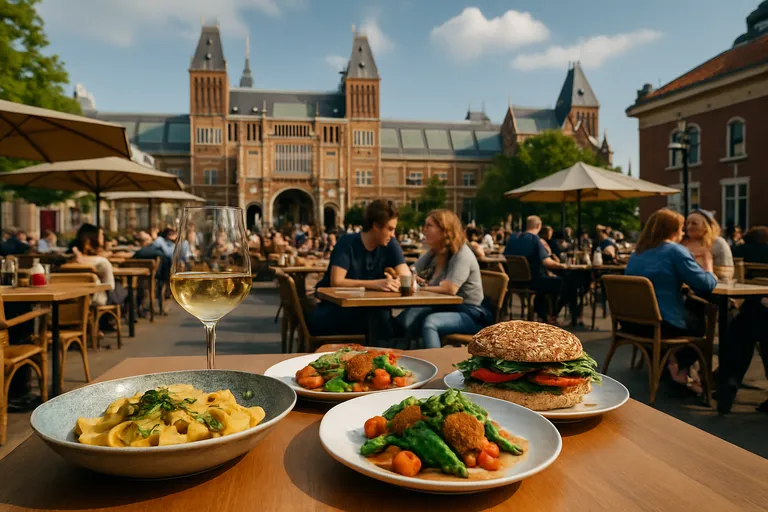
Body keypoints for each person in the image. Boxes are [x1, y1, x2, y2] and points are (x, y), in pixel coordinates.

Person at [624, 209, 717, 394]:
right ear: (672, 231)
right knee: (700, 322)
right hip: (662, 324)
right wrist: (709, 267)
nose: (683, 233)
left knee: (688, 309)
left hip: (632, 323)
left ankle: (672, 363)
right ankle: (681, 369)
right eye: (681, 229)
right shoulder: (675, 250)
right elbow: (705, 285)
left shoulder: (637, 253)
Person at [309, 200, 409, 342]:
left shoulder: (390, 243)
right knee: (382, 323)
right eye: (390, 229)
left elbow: (405, 274)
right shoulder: (347, 243)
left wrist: (398, 281)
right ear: (376, 226)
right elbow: (336, 281)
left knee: (386, 321)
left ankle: (380, 355)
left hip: (368, 311)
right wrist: (375, 284)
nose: (393, 234)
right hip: (336, 310)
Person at [397, 210, 492, 348]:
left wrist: (420, 286)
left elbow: (450, 288)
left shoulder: (462, 253)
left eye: (429, 226)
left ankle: (436, 364)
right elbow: (410, 271)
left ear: (444, 230)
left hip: (470, 314)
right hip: (444, 307)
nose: (424, 231)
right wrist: (409, 276)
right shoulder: (434, 252)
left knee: (430, 323)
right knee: (407, 317)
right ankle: (405, 355)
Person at [719, 226, 768, 414]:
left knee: (742, 324)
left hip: (751, 310)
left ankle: (728, 385)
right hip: (759, 311)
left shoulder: (738, 251)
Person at [504, 215, 574, 323]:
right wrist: (562, 265)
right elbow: (546, 262)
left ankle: (542, 312)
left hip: (514, 281)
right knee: (564, 283)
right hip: (534, 281)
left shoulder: (513, 238)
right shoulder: (534, 239)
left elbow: (504, 257)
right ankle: (551, 315)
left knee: (547, 284)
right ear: (538, 226)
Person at [71, 224, 122, 307]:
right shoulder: (102, 262)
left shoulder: (71, 260)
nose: (103, 237)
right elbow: (110, 286)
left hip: (73, 298)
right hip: (96, 298)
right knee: (121, 289)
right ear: (94, 239)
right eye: (100, 235)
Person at [682, 209, 733, 274]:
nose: (689, 227)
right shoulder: (680, 243)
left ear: (706, 226)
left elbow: (726, 274)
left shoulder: (718, 243)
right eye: (687, 223)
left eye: (694, 223)